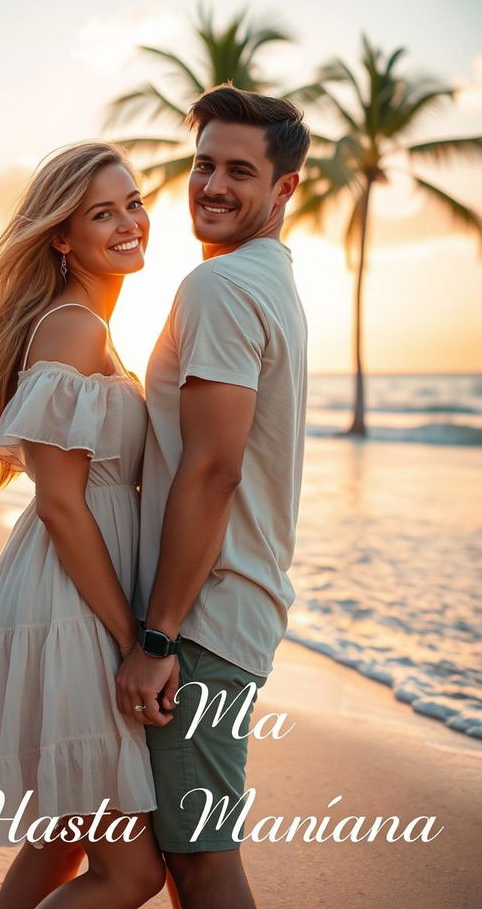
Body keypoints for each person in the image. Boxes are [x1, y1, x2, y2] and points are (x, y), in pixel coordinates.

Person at [0, 141, 167, 909]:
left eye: (134, 202)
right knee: (132, 873)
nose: (128, 223)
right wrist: (132, 635)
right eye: (101, 213)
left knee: (56, 847)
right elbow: (60, 502)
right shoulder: (72, 329)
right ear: (60, 236)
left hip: (70, 592)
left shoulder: (93, 331)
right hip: (70, 607)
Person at [116, 85, 311, 909]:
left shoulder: (223, 288)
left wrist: (158, 635)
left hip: (201, 619)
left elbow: (213, 471)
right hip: (231, 604)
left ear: (284, 188)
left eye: (240, 169)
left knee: (200, 860)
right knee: (192, 852)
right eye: (203, 164)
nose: (213, 186)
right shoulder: (270, 280)